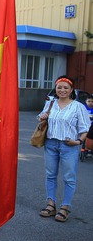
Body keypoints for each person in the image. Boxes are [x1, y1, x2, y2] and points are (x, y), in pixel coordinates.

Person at [37, 75, 89, 222]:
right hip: (51, 144)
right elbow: (42, 116)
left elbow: (85, 128)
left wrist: (78, 142)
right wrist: (43, 117)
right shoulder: (51, 103)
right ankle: (51, 204)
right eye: (59, 87)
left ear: (71, 90)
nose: (62, 90)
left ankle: (65, 207)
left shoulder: (78, 107)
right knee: (50, 175)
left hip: (69, 145)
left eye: (66, 87)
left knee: (69, 178)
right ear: (56, 88)